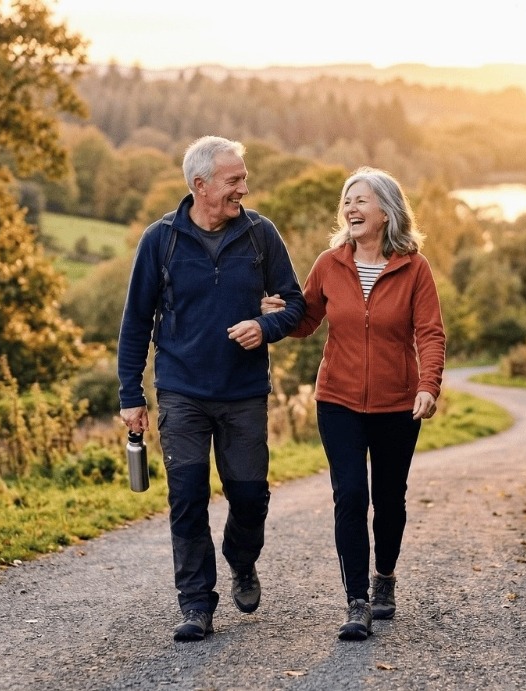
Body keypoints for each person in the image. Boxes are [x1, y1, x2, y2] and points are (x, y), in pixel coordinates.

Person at [118, 135, 306, 642]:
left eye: (243, 178)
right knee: (187, 496)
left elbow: (295, 305)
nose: (243, 188)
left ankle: (241, 561)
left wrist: (264, 328)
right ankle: (196, 604)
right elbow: (136, 321)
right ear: (200, 185)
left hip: (244, 391)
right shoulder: (161, 240)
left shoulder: (261, 234)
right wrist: (130, 396)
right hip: (181, 390)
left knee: (249, 497)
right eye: (234, 180)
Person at [262, 166, 446, 640]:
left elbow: (429, 331)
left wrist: (428, 385)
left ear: (386, 211)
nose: (351, 208)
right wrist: (280, 313)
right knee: (350, 495)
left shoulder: (414, 268)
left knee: (388, 499)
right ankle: (357, 601)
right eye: (347, 200)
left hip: (396, 404)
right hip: (338, 399)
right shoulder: (330, 263)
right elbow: (306, 320)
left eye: (361, 200)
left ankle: (385, 577)